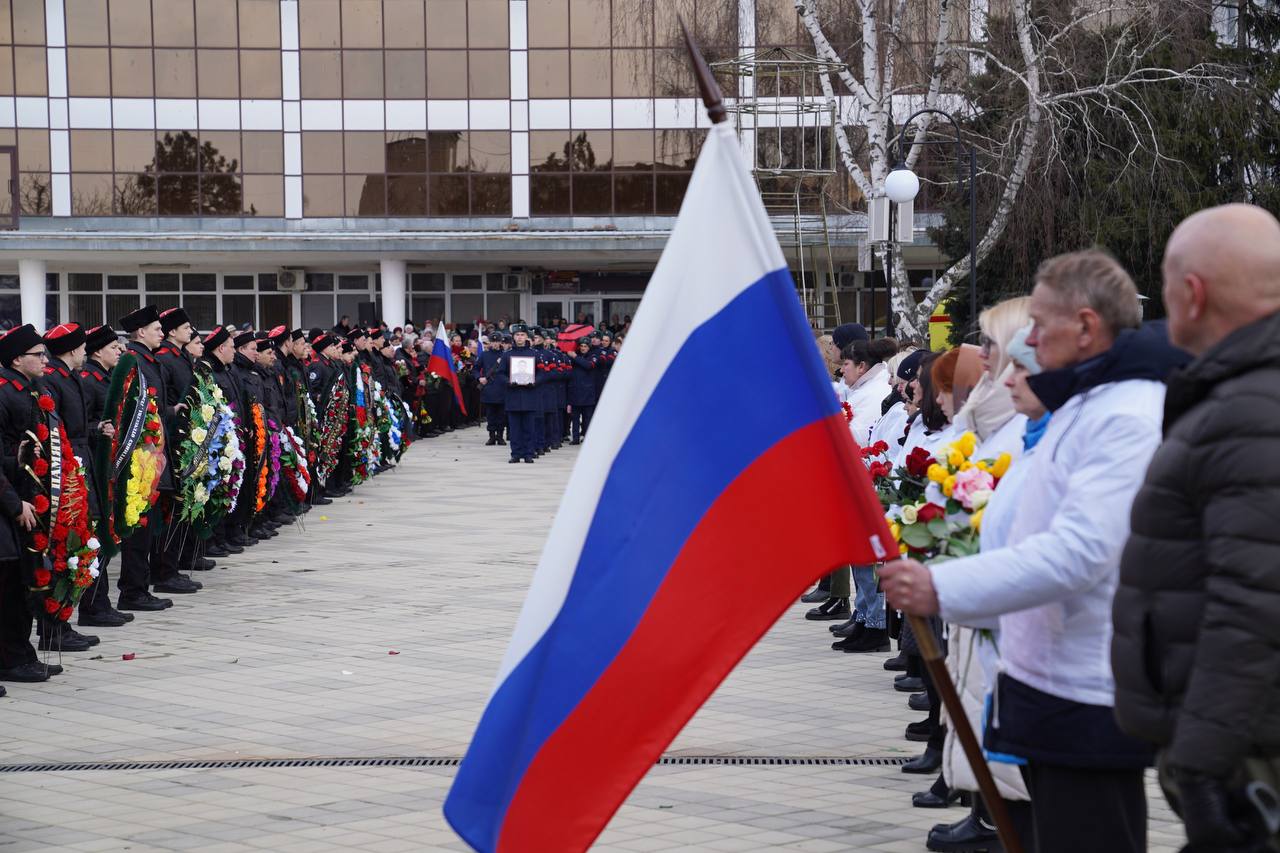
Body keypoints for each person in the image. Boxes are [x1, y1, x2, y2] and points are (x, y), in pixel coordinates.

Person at [880, 249, 1187, 853]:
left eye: (1041, 326)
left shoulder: (1124, 415)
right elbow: (1019, 529)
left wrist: (944, 589)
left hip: (1086, 691)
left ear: (1086, 327)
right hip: (1045, 681)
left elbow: (1079, 553)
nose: (1030, 340)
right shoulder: (1082, 404)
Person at [1114, 204, 1280, 852]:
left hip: (1248, 752)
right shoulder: (1244, 394)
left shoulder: (1251, 409)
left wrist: (1204, 764)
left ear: (1192, 292)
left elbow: (1254, 601)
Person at [0, 325, 55, 686]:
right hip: (12, 503)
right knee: (11, 582)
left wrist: (23, 455)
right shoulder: (5, 393)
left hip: (25, 497)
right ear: (18, 358)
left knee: (24, 580)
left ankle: (20, 654)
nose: (44, 360)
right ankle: (12, 658)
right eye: (38, 354)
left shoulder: (28, 389)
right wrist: (14, 503)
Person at [116, 306, 177, 612]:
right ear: (140, 332)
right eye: (156, 329)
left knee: (148, 522)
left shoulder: (149, 360)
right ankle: (132, 590)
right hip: (140, 457)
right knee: (138, 525)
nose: (161, 333)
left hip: (153, 454)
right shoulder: (134, 361)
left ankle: (140, 585)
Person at [499, 324, 540, 463]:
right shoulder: (507, 355)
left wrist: (534, 381)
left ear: (527, 337)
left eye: (522, 335)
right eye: (517, 335)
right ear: (513, 337)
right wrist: (509, 382)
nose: (520, 337)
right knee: (515, 429)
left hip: (529, 395)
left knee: (529, 428)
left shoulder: (534, 354)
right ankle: (515, 454)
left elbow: (542, 373)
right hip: (513, 396)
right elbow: (500, 374)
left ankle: (529, 453)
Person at [568, 337, 597, 444]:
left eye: (585, 346)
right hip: (575, 391)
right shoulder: (574, 357)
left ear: (589, 347)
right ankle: (575, 438)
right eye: (581, 346)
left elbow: (588, 365)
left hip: (587, 393)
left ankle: (587, 437)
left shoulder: (593, 356)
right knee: (575, 418)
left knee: (587, 418)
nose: (583, 348)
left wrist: (575, 356)